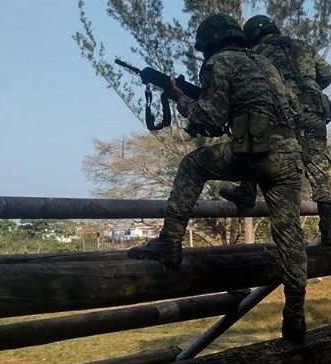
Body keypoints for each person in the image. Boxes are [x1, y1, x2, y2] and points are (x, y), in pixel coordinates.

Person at [126, 14, 310, 342]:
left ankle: (169, 243)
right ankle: (295, 314)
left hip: (257, 153)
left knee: (191, 165)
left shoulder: (218, 63)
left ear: (208, 45)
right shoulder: (266, 64)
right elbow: (291, 108)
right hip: (290, 155)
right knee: (290, 235)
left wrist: (181, 98)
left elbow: (209, 120)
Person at [218, 14, 331, 246]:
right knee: (319, 169)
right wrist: (309, 87)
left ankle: (247, 192)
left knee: (261, 149)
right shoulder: (301, 45)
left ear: (251, 37)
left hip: (286, 111)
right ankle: (328, 229)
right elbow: (328, 73)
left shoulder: (258, 55)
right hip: (316, 111)